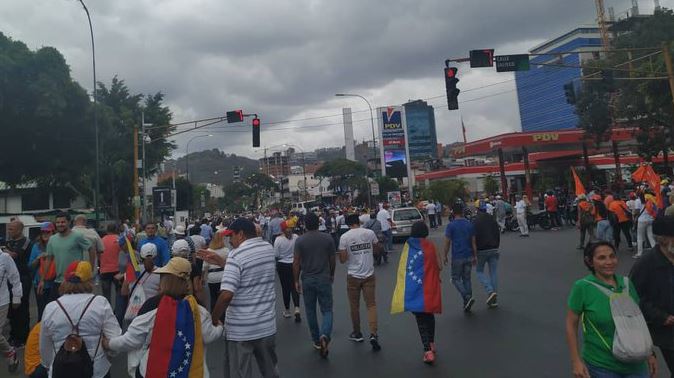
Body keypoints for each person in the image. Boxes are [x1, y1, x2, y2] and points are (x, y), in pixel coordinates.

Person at [104, 257, 223, 378]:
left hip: (154, 371)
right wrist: (219, 326)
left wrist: (109, 343)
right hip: (190, 372)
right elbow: (210, 335)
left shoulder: (152, 308)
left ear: (166, 282)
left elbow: (130, 340)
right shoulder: (199, 312)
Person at [565, 242, 657, 378]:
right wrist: (576, 361)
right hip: (602, 364)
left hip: (636, 363)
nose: (609, 262)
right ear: (589, 262)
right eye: (601, 258)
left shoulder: (626, 284)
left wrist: (650, 354)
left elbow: (638, 322)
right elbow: (570, 325)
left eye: (612, 256)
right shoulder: (583, 287)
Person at [212, 218, 279, 378]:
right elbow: (250, 271)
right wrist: (223, 263)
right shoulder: (268, 248)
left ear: (241, 234)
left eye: (231, 236)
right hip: (266, 325)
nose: (230, 240)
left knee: (239, 373)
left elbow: (227, 295)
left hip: (240, 330)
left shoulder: (236, 255)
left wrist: (214, 317)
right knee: (270, 371)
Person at [40, 260, 121, 377]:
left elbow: (44, 347)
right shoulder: (100, 303)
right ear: (90, 280)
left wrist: (49, 365)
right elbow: (115, 339)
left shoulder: (51, 308)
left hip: (62, 370)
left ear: (65, 280)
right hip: (97, 369)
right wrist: (109, 352)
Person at [391, 221, 442, 364]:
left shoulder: (408, 247)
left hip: (415, 288)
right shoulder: (431, 246)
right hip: (430, 286)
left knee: (420, 319)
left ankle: (427, 351)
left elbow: (404, 268)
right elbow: (439, 266)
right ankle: (431, 343)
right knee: (429, 315)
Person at [630, 216, 674, 376]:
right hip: (668, 332)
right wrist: (661, 316)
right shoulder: (646, 264)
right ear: (662, 239)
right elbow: (632, 298)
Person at [293, 212, 336, 358]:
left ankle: (317, 340)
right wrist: (332, 274)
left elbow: (296, 262)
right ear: (318, 223)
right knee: (327, 310)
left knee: (310, 311)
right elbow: (332, 259)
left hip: (308, 279)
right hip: (323, 277)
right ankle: (325, 334)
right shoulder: (327, 238)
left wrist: (296, 280)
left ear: (305, 224)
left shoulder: (300, 241)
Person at [338, 213, 381, 351]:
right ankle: (373, 333)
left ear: (348, 224)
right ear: (359, 222)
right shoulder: (369, 233)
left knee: (354, 306)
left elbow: (343, 259)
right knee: (371, 305)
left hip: (353, 276)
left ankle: (357, 333)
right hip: (369, 274)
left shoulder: (344, 237)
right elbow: (376, 249)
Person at [44, 212, 92, 300]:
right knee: (57, 307)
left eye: (63, 222)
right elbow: (48, 259)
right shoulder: (52, 239)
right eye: (58, 222)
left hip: (76, 281)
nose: (60, 224)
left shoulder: (77, 236)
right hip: (58, 281)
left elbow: (90, 248)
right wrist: (42, 280)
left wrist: (91, 268)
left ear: (69, 222)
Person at [443, 203, 477, 312]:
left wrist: (445, 256)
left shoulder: (451, 225)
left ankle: (467, 297)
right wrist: (475, 256)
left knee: (455, 279)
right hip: (469, 255)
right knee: (467, 279)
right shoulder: (469, 224)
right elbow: (473, 242)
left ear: (453, 212)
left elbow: (447, 242)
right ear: (462, 212)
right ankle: (467, 303)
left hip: (457, 256)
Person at [5, 220, 32, 348]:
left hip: (22, 279)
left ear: (19, 230)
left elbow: (14, 255)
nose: (9, 231)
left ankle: (23, 337)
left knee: (21, 307)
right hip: (8, 280)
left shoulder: (26, 241)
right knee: (11, 309)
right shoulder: (9, 242)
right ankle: (13, 335)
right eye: (9, 228)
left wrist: (5, 251)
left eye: (11, 229)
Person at [121, 243, 161, 323]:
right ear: (156, 256)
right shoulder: (161, 273)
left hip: (134, 313)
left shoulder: (132, 270)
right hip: (151, 315)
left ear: (141, 256)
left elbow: (124, 292)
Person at [0, 243, 22, 372]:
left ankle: (10, 352)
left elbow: (15, 278)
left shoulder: (5, 258)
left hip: (1, 301)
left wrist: (17, 297)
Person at [473, 206, 500, 308]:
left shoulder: (475, 221)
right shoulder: (492, 219)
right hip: (494, 248)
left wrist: (474, 252)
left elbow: (473, 237)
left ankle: (489, 290)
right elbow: (497, 233)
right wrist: (497, 245)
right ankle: (494, 299)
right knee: (493, 272)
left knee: (479, 271)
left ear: (478, 210)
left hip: (481, 249)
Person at [274, 221, 301, 321]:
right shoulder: (296, 237)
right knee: (295, 285)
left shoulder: (278, 240)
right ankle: (297, 308)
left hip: (283, 265)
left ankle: (287, 310)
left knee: (285, 288)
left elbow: (276, 254)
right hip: (295, 264)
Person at [28, 222, 55, 320]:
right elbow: (30, 266)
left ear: (53, 232)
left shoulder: (57, 245)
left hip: (55, 283)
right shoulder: (36, 246)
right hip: (39, 284)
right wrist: (38, 258)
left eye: (48, 232)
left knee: (54, 311)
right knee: (42, 310)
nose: (45, 234)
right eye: (43, 232)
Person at [202, 229, 230, 312]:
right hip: (223, 276)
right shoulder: (226, 250)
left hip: (212, 277)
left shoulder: (209, 251)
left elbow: (205, 266)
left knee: (213, 298)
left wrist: (203, 277)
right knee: (223, 298)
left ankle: (214, 315)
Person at [99, 224, 122, 307]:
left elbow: (98, 254)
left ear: (107, 231)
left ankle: (107, 310)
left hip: (104, 270)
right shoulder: (119, 239)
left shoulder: (102, 240)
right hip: (118, 270)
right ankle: (118, 311)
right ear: (116, 229)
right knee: (119, 293)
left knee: (106, 294)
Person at [634, 193, 658, 259]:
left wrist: (634, 216)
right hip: (650, 219)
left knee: (639, 237)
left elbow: (637, 211)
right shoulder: (649, 200)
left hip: (642, 220)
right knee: (650, 236)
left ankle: (639, 253)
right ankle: (656, 251)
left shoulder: (637, 201)